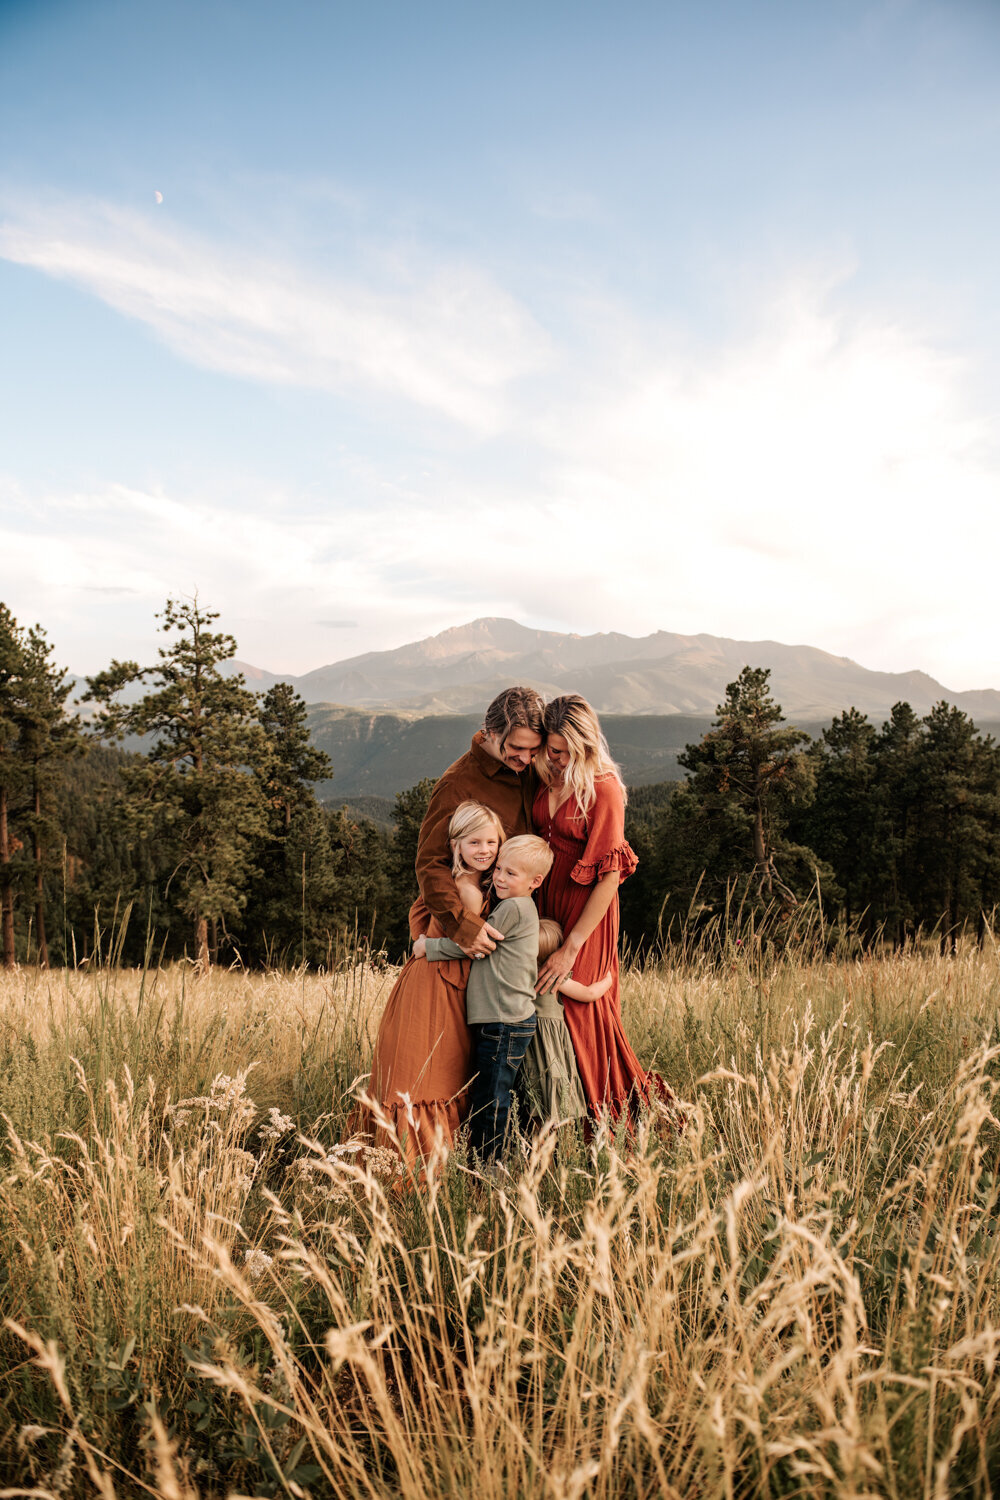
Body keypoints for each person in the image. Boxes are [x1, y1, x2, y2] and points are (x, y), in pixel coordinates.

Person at [532, 694, 676, 1121]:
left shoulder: (603, 789)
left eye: (562, 752)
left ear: (584, 745)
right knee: (548, 1007)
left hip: (586, 915)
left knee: (580, 1010)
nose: (554, 759)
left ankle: (600, 1116)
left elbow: (610, 877)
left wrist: (572, 946)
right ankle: (555, 1108)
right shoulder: (548, 776)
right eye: (550, 749)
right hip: (546, 904)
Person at [351, 801, 506, 1165]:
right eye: (474, 843)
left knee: (411, 1074)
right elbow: (476, 946)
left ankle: (393, 1162)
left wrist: (425, 943)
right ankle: (417, 1171)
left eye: (491, 842)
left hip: (418, 983)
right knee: (431, 1076)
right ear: (455, 845)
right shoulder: (468, 891)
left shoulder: (445, 884)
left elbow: (418, 923)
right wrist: (435, 946)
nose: (484, 850)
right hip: (439, 990)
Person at [414, 834, 552, 1162]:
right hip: (504, 1019)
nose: (500, 878)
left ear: (535, 882)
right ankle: (507, 1157)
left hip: (504, 1021)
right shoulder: (518, 906)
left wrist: (427, 947)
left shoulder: (514, 908)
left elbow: (475, 943)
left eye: (511, 874)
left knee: (491, 1098)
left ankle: (488, 1168)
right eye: (499, 869)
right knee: (498, 1092)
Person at [414, 685, 545, 958]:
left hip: (523, 919)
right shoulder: (457, 784)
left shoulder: (534, 767)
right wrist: (465, 927)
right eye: (516, 747)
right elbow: (430, 863)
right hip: (476, 932)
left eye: (533, 750)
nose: (525, 758)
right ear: (491, 732)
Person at [518, 919, 611, 1127]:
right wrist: (609, 981)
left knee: (533, 1082)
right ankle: (558, 1130)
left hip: (528, 1039)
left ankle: (532, 1129)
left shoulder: (521, 973)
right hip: (550, 1042)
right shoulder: (554, 976)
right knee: (555, 1080)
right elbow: (588, 993)